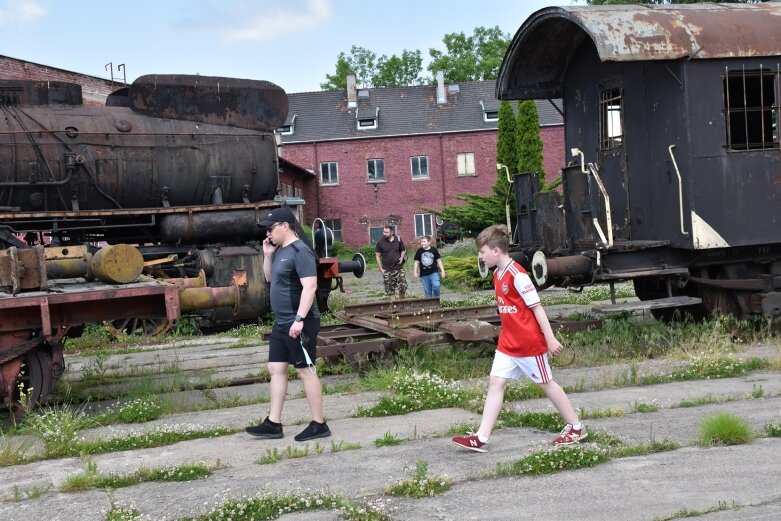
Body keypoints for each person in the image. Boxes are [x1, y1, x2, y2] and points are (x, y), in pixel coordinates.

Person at [452, 224, 585, 452]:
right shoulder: (497, 274)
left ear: (496, 251)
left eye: (482, 252)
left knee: (546, 384)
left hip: (528, 344)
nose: (480, 257)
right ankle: (481, 437)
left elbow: (537, 309)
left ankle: (576, 427)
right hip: (508, 343)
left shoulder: (518, 276)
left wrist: (550, 339)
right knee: (496, 382)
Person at [245, 206, 331, 442]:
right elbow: (270, 279)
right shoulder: (281, 250)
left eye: (271, 228)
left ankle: (319, 424)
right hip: (282, 323)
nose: (268, 233)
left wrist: (299, 319)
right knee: (276, 369)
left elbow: (310, 287)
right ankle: (273, 423)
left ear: (285, 226)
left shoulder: (301, 251)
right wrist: (268, 255)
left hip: (299, 322)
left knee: (305, 371)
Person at [374, 225, 408, 299]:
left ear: (391, 232)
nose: (384, 234)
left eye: (386, 232)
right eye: (384, 232)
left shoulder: (398, 239)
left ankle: (401, 303)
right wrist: (381, 269)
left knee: (403, 287)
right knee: (390, 290)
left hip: (399, 268)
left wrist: (402, 257)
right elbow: (377, 255)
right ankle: (394, 306)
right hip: (387, 269)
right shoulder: (380, 242)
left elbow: (403, 250)